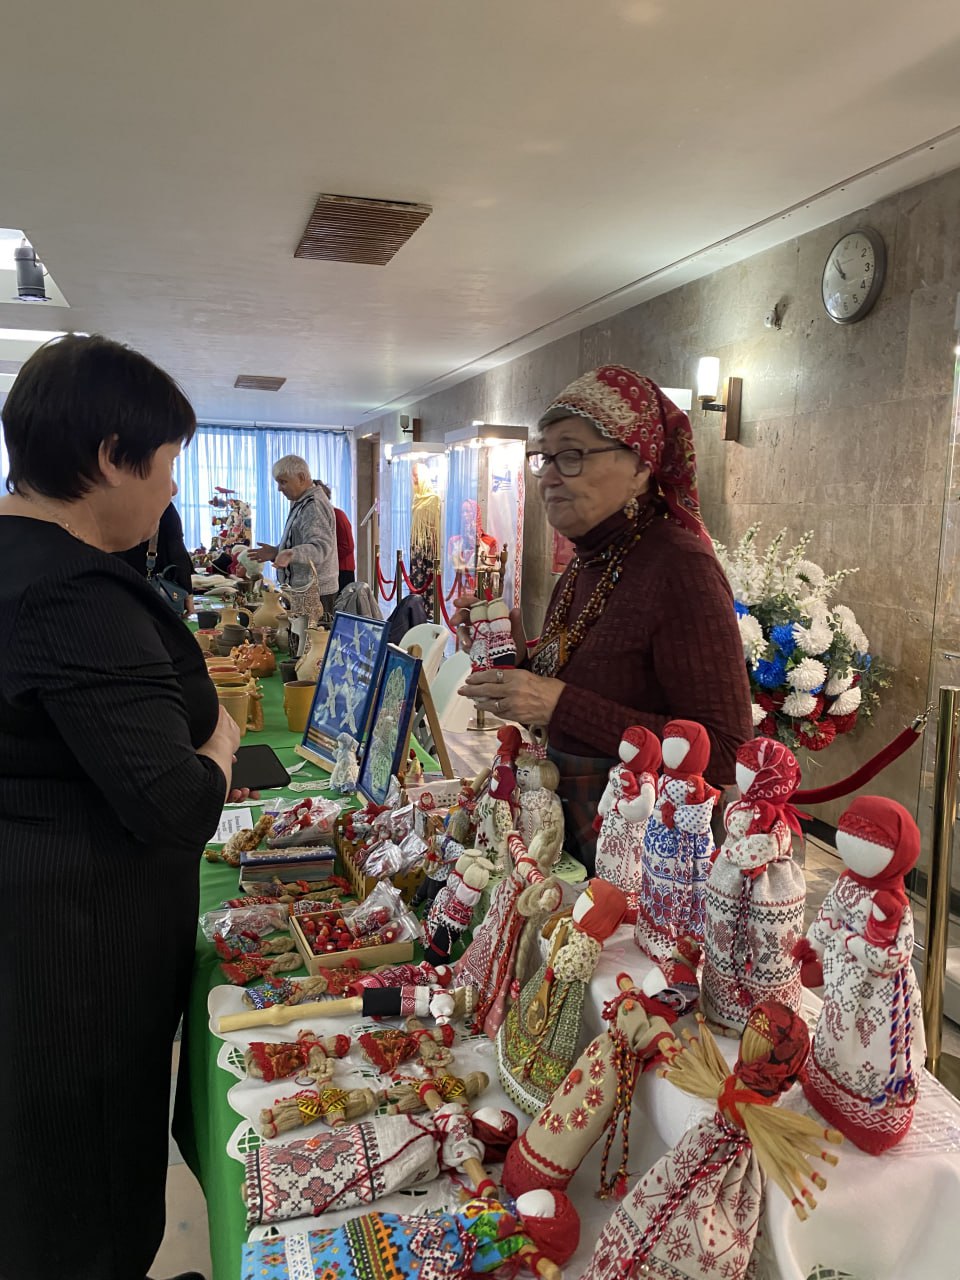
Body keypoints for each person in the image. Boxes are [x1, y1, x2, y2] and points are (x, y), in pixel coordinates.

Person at [0, 333, 252, 1280]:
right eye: (168, 464)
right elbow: (176, 805)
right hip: (77, 949)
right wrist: (225, 738)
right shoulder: (69, 591)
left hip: (46, 924)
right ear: (110, 456)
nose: (173, 491)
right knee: (82, 1184)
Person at [457, 364, 753, 872]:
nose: (549, 475)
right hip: (571, 828)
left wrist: (559, 705)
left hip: (641, 857)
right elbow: (586, 680)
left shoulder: (680, 567)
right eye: (544, 457)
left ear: (640, 466)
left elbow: (727, 752)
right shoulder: (590, 558)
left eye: (571, 455)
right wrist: (514, 654)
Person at [249, 456, 338, 634]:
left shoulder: (313, 505)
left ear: (302, 477)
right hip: (306, 592)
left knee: (310, 651)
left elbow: (320, 548)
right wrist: (276, 552)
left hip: (315, 594)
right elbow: (303, 543)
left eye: (283, 482)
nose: (279, 489)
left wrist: (291, 554)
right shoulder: (304, 502)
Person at [114, 499, 195, 614]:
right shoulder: (162, 506)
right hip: (157, 594)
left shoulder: (112, 503)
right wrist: (188, 594)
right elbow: (177, 553)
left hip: (116, 589)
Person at [316, 480, 356, 590]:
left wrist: (323, 556)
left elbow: (347, 546)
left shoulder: (337, 515)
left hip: (342, 570)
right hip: (328, 569)